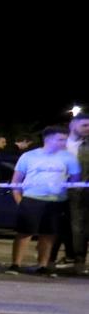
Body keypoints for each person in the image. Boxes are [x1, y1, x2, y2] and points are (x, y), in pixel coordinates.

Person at [7, 125, 79, 276]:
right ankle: (15, 264)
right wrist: (20, 200)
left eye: (65, 140)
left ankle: (43, 265)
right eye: (60, 139)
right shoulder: (29, 156)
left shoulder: (69, 158)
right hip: (31, 199)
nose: (63, 143)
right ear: (48, 139)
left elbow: (75, 181)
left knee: (49, 235)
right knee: (24, 233)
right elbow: (16, 181)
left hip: (57, 202)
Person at [66, 117, 89, 274]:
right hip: (56, 191)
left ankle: (78, 259)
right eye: (85, 125)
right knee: (58, 227)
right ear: (72, 125)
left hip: (81, 193)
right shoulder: (60, 144)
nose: (88, 128)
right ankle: (52, 259)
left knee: (79, 227)